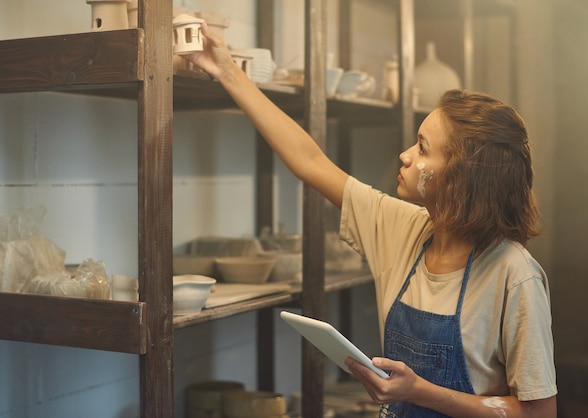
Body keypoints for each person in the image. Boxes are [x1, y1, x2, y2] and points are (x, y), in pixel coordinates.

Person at [185, 23, 558, 418]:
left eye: (423, 149)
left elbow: (538, 413)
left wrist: (421, 392)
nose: (405, 155)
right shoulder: (402, 228)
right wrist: (226, 70)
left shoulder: (514, 275)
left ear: (463, 176)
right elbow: (310, 163)